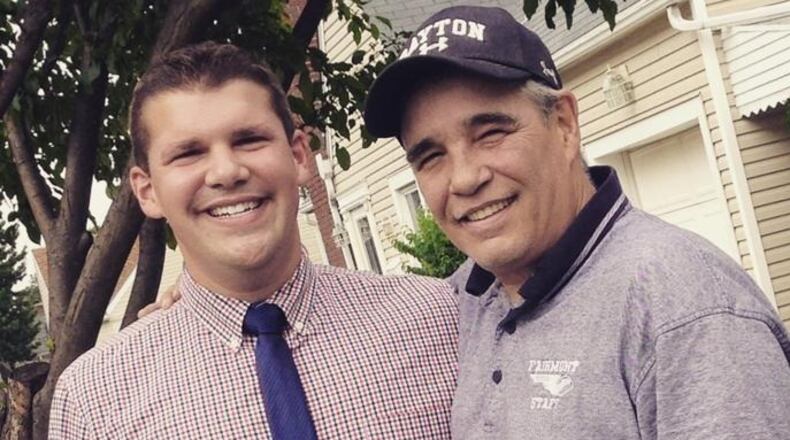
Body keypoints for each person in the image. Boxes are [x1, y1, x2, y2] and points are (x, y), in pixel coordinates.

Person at [363, 5, 790, 439]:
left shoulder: (681, 306)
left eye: (490, 133)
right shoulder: (465, 301)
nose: (466, 178)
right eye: (431, 156)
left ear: (564, 125)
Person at [48, 42, 458, 439]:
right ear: (148, 191)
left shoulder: (440, 318)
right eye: (188, 153)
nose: (226, 171)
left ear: (298, 155)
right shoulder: (93, 402)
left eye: (249, 140)